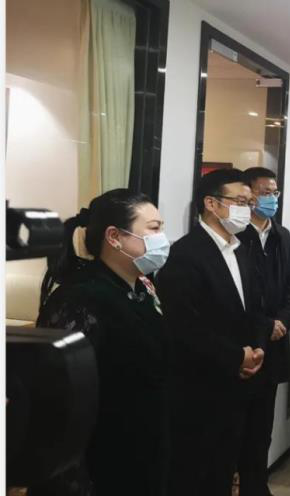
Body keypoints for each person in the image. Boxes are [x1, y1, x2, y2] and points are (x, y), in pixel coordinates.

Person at [35, 189, 171, 496]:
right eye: (153, 229)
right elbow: (58, 401)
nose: (163, 239)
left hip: (141, 451)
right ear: (114, 237)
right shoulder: (80, 299)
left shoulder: (141, 289)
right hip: (100, 463)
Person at [157, 169, 269, 496]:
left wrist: (257, 348)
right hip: (200, 388)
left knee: (224, 468)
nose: (247, 209)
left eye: (249, 203)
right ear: (211, 203)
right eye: (240, 202)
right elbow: (184, 325)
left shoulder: (241, 249)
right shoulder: (185, 255)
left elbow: (254, 308)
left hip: (238, 384)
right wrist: (235, 357)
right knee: (194, 473)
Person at [237, 167, 290, 496]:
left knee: (262, 425)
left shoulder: (281, 235)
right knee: (236, 423)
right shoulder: (236, 234)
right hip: (242, 344)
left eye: (275, 192)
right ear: (248, 194)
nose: (272, 198)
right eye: (265, 192)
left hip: (274, 343)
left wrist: (284, 320)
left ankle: (256, 484)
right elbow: (237, 291)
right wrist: (265, 324)